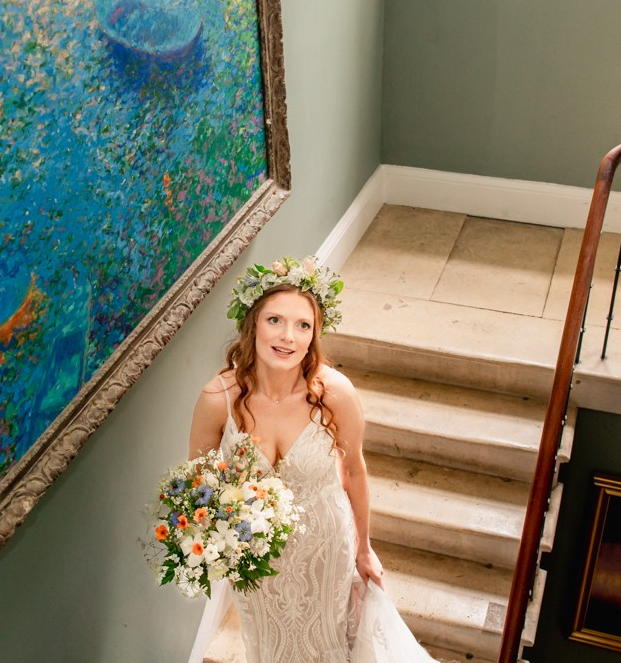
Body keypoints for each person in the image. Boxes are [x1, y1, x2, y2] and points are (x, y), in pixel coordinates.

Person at [187, 256, 436, 663]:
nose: (288, 337)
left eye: (303, 325)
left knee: (327, 641)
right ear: (253, 325)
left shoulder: (336, 393)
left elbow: (354, 469)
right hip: (256, 558)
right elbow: (199, 483)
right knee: (267, 645)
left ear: (314, 334)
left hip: (324, 547)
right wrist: (215, 541)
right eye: (275, 321)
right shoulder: (218, 399)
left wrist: (364, 548)